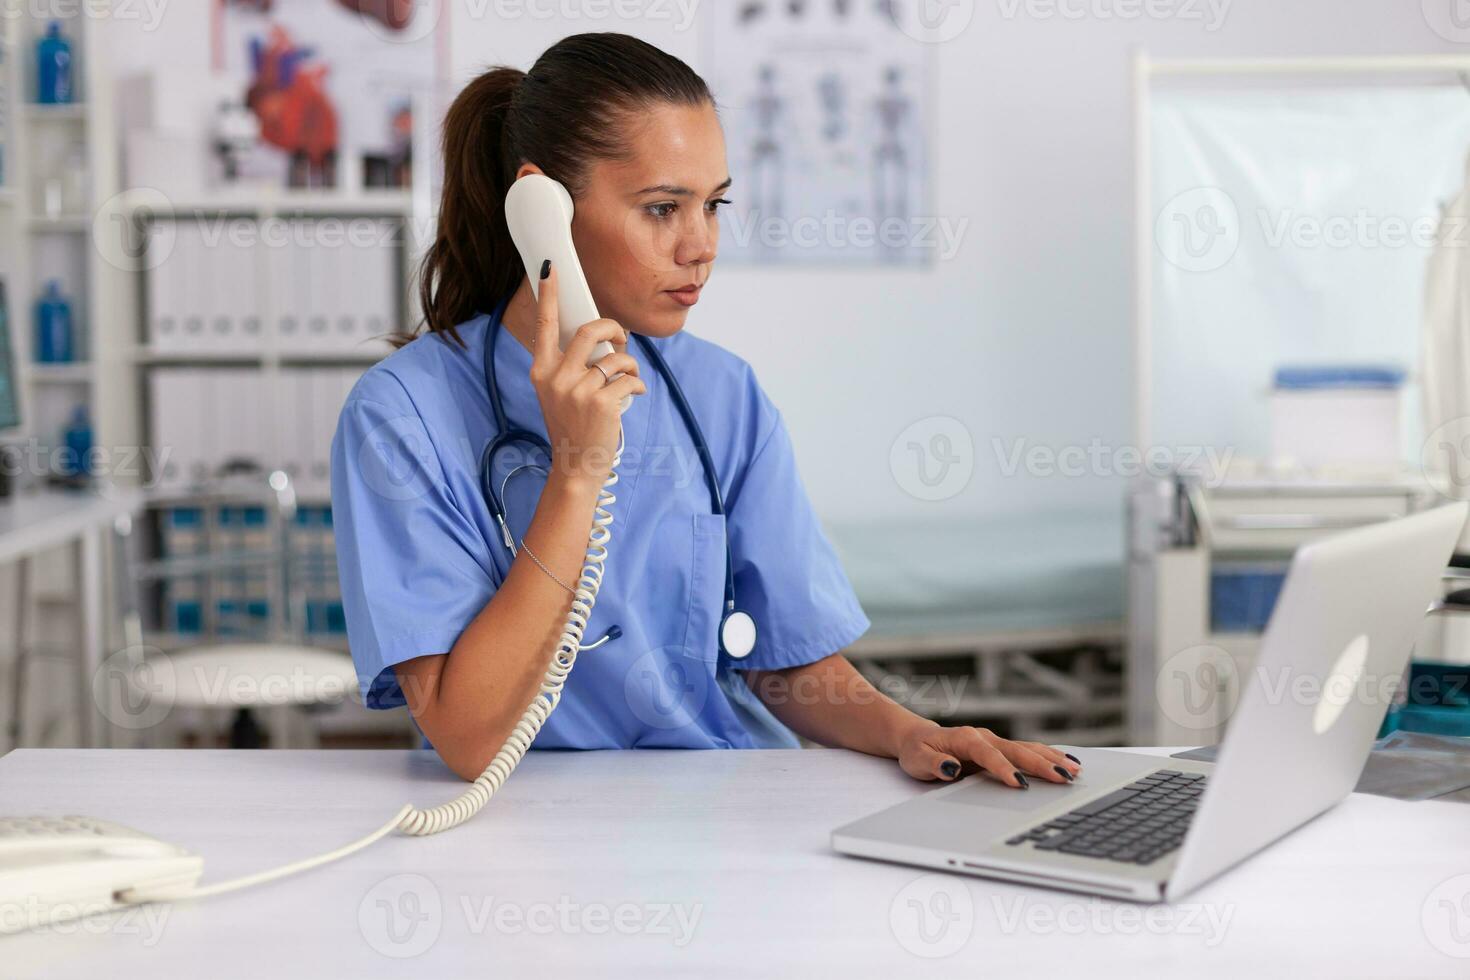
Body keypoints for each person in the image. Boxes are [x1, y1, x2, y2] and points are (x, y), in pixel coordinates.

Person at [331, 33, 1082, 790]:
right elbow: (467, 738)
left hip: (724, 808)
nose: (701, 247)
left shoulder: (724, 396)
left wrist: (914, 732)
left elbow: (787, 662)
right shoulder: (401, 417)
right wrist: (575, 477)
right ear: (542, 208)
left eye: (713, 205)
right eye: (662, 208)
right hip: (523, 831)